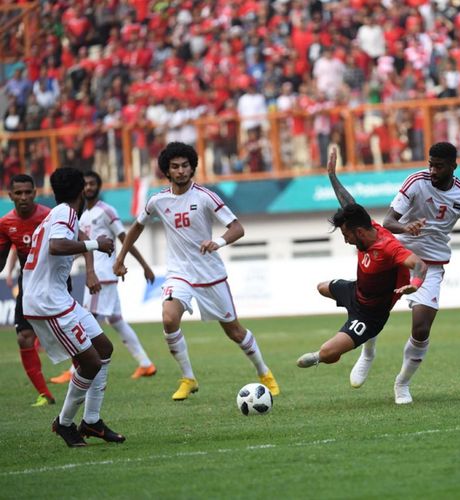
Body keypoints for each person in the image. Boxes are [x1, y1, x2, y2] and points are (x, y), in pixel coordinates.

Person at [113, 142, 279, 400]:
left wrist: (218, 242)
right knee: (169, 319)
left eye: (185, 166)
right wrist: (120, 257)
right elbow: (136, 227)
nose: (180, 171)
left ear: (192, 168)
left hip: (210, 274)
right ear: (167, 171)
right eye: (175, 167)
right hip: (179, 273)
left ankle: (263, 371)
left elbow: (237, 228)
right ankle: (188, 378)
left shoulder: (205, 197)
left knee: (234, 331)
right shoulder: (158, 200)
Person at [349, 142, 460, 404]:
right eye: (430, 163)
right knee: (371, 308)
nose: (432, 170)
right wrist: (407, 228)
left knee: (421, 327)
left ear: (454, 166)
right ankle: (368, 352)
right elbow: (388, 222)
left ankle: (402, 384)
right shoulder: (416, 182)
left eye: (439, 166)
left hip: (431, 264)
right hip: (398, 257)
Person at [297, 149, 427, 370]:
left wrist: (414, 285)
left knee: (327, 353)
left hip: (370, 314)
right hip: (356, 292)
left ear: (358, 232)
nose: (346, 240)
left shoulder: (387, 247)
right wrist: (332, 176)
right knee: (321, 287)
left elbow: (420, 264)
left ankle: (360, 348)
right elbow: (348, 203)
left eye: (346, 235)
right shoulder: (369, 226)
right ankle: (350, 343)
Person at [23, 167, 124, 447]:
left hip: (58, 298)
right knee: (89, 361)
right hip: (48, 302)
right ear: (82, 190)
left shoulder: (58, 214)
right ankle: (65, 424)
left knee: (104, 349)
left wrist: (88, 255)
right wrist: (96, 244)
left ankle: (92, 421)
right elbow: (56, 246)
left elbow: (66, 241)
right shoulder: (66, 212)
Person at [49, 170, 157, 384]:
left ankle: (73, 371)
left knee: (85, 322)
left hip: (102, 275)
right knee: (116, 321)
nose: (88, 187)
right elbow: (85, 246)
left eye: (92, 184)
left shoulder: (106, 211)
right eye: (85, 184)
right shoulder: (81, 214)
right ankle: (146, 364)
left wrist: (143, 264)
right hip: (98, 274)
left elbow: (124, 237)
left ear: (98, 186)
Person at [0, 175, 56, 406]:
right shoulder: (5, 224)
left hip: (56, 283)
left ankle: (86, 379)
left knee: (69, 335)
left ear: (35, 193)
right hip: (29, 284)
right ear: (10, 195)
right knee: (24, 338)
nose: (23, 197)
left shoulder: (48, 216)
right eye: (18, 193)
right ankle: (45, 393)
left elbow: (78, 241)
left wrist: (90, 271)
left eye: (27, 192)